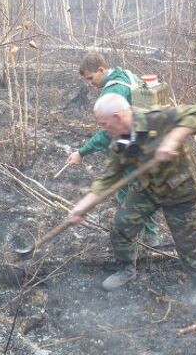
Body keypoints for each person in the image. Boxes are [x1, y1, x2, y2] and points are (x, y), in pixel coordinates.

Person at [67, 93, 196, 291]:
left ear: (117, 117)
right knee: (121, 225)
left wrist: (172, 138)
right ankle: (126, 269)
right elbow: (107, 179)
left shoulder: (155, 118)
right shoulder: (119, 143)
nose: (103, 128)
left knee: (188, 243)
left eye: (104, 123)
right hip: (147, 189)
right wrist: (82, 206)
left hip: (180, 192)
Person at [68, 52, 161, 247]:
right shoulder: (125, 75)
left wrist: (81, 152)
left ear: (101, 70)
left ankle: (143, 241)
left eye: (91, 78)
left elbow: (109, 133)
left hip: (134, 148)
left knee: (131, 192)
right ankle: (149, 239)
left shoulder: (113, 92)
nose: (90, 83)